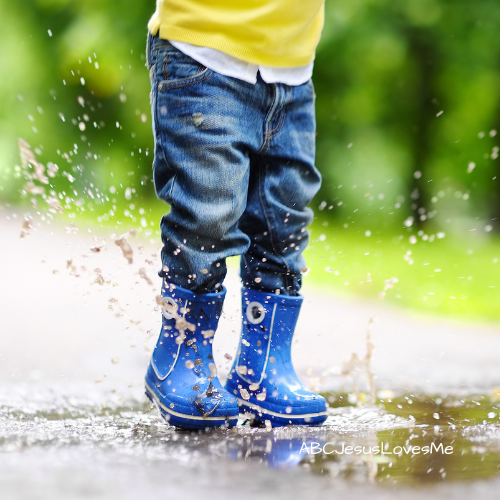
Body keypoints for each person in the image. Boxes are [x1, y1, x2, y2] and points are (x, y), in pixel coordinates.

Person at [144, 0, 328, 430]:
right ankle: (180, 355)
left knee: (284, 222)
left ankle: (261, 370)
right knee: (207, 216)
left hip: (292, 68)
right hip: (202, 54)